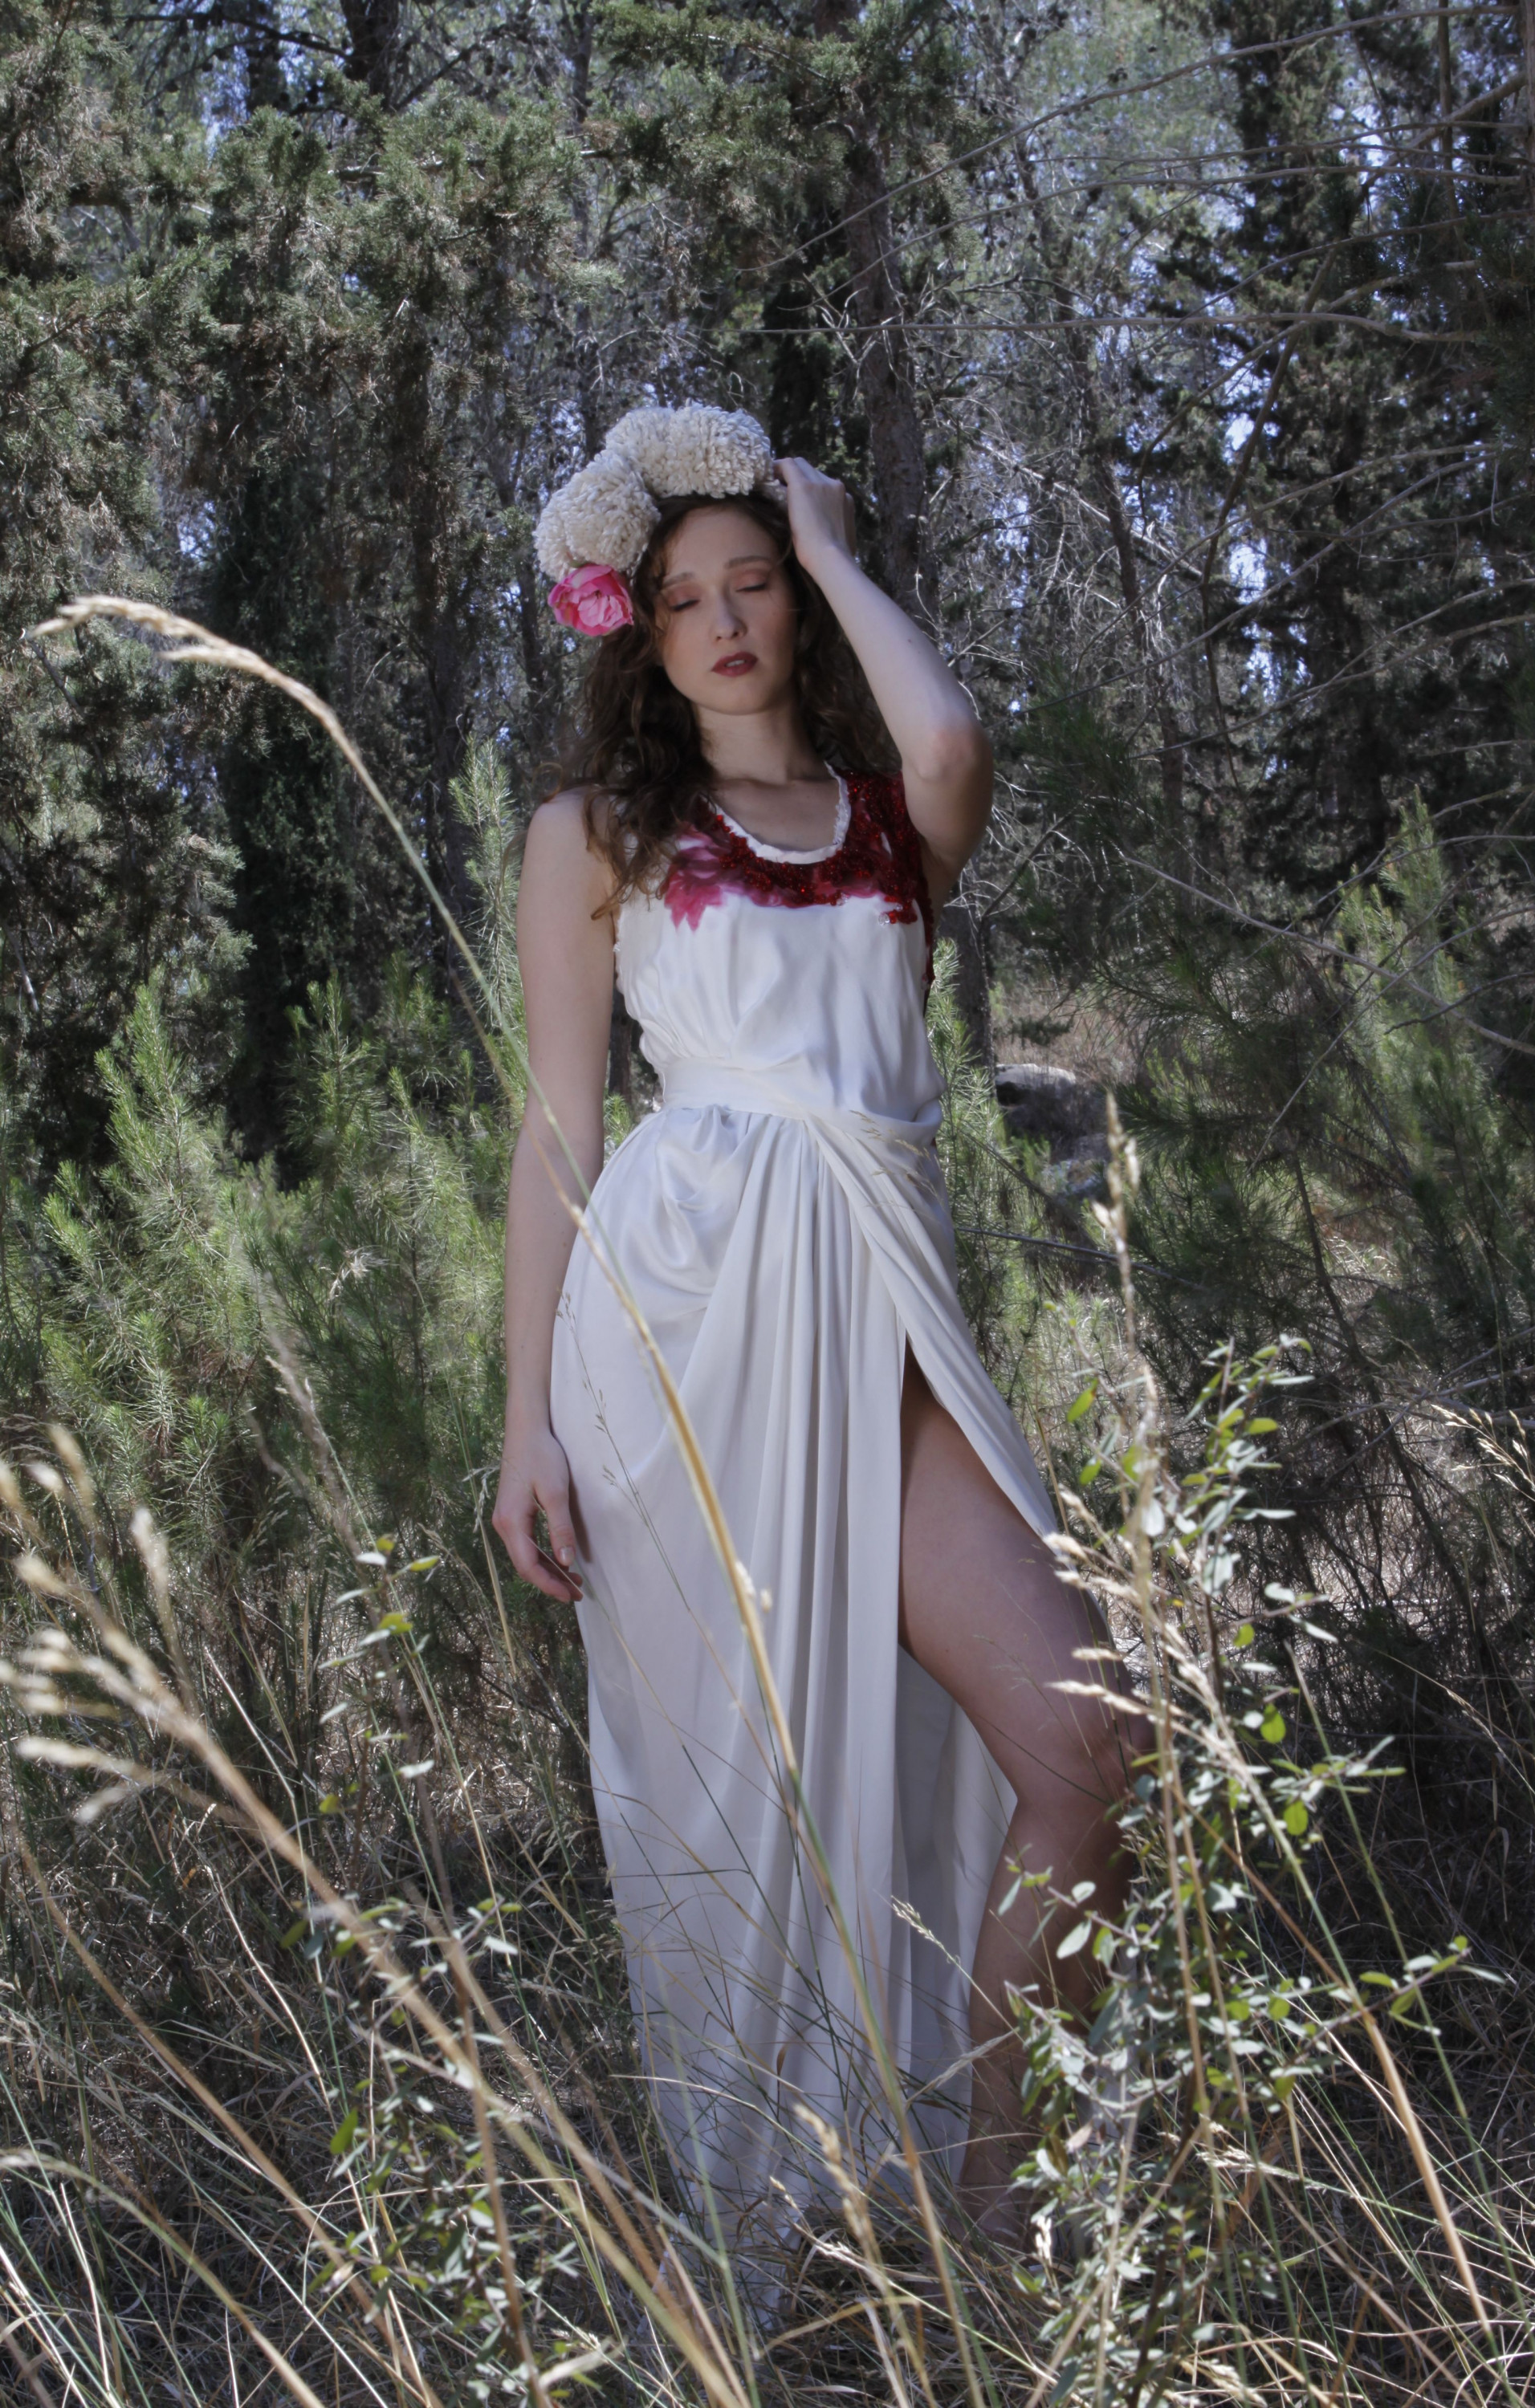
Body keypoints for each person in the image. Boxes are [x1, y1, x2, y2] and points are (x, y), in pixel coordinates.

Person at [493, 403, 1134, 2256]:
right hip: (686, 1337)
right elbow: (557, 1133)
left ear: (797, 599)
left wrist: (836, 544)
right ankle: (817, 2226)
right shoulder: (596, 835)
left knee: (1089, 1749)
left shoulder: (888, 825)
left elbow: (951, 740)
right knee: (749, 1789)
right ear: (639, 632)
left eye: (754, 583)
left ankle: (1005, 2224)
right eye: (682, 595)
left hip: (884, 1309)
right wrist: (524, 1417)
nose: (723, 619)